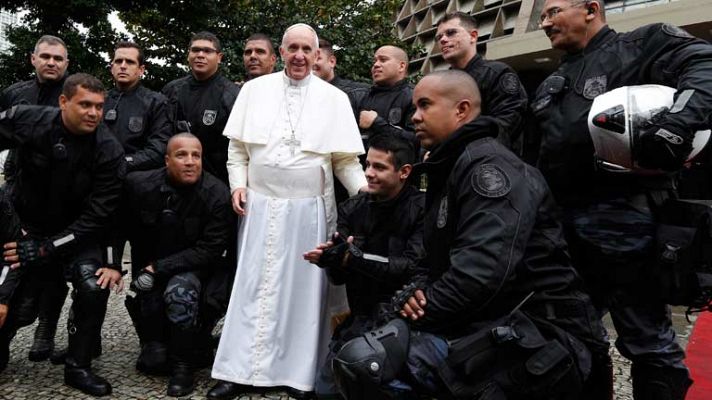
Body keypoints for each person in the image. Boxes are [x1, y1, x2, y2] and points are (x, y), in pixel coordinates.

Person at [332, 70, 609, 400]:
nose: (415, 117)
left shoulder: (488, 169)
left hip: (541, 332)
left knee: (370, 362)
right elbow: (433, 261)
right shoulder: (451, 167)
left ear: (461, 110)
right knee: (361, 354)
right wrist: (414, 292)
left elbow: (480, 274)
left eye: (424, 106)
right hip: (486, 318)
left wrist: (415, 313)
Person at [531, 1, 712, 398]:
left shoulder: (644, 44)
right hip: (561, 232)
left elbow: (706, 67)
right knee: (570, 334)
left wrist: (676, 125)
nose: (545, 23)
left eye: (553, 12)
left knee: (648, 343)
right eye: (542, 16)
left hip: (630, 228)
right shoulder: (551, 83)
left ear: (591, 9)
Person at [208, 23, 367, 400]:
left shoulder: (334, 99)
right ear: (281, 52)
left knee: (302, 292)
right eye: (292, 48)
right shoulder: (253, 90)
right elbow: (238, 152)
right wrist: (238, 185)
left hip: (308, 211)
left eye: (306, 49)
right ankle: (238, 370)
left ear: (317, 55)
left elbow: (344, 161)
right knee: (251, 288)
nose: (299, 56)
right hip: (260, 207)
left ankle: (298, 374)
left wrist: (367, 196)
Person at [0, 73, 125, 396]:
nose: (93, 113)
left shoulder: (108, 150)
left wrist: (47, 248)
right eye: (85, 105)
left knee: (92, 284)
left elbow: (99, 216)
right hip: (24, 227)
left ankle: (78, 366)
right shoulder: (28, 119)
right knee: (18, 304)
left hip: (77, 234)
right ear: (63, 102)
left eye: (99, 106)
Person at [303, 133, 425, 398]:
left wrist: (354, 258)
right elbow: (338, 278)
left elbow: (409, 267)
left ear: (404, 172)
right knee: (326, 392)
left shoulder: (422, 209)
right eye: (367, 164)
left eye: (379, 167)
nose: (368, 173)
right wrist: (330, 259)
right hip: (360, 317)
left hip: (404, 319)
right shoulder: (352, 209)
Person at [122, 133, 232, 397]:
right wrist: (114, 265)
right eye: (182, 155)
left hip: (197, 273)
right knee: (154, 362)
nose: (190, 161)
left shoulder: (217, 194)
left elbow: (209, 250)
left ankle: (185, 368)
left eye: (196, 155)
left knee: (179, 292)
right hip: (152, 273)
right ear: (167, 160)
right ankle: (167, 343)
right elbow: (118, 228)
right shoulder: (140, 186)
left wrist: (158, 267)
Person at [0, 35, 70, 362]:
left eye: (58, 58)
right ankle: (7, 334)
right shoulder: (15, 94)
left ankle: (45, 332)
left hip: (61, 201)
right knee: (16, 269)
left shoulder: (74, 96)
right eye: (45, 57)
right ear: (33, 59)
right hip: (20, 200)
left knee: (53, 272)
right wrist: (10, 187)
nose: (51, 62)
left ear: (66, 63)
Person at [435, 12, 527, 151]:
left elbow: (507, 123)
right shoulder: (439, 84)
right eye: (439, 37)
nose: (443, 40)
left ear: (473, 36)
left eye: (451, 33)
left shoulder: (497, 73)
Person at [162, 31, 239, 185]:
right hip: (175, 178)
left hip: (217, 180)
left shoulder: (232, 95)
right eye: (195, 50)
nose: (200, 55)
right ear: (188, 55)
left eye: (207, 51)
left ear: (219, 57)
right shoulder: (172, 90)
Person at [104, 41, 172, 172]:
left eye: (129, 62)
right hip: (99, 177)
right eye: (118, 61)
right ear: (112, 68)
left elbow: (159, 149)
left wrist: (123, 163)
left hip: (137, 179)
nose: (123, 66)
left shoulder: (157, 103)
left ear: (141, 70)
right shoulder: (98, 101)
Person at [357, 45, 417, 158]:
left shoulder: (414, 97)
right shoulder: (362, 97)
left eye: (383, 60)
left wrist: (377, 123)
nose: (376, 65)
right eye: (374, 61)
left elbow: (418, 141)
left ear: (401, 66)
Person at [313, 38, 368, 117]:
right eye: (310, 59)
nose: (312, 63)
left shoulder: (357, 94)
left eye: (318, 58)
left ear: (332, 62)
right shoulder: (301, 95)